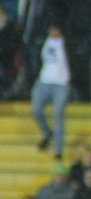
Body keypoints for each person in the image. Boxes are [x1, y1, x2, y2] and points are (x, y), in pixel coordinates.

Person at [32, 22, 71, 160]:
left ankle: (58, 150)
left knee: (57, 114)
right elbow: (34, 57)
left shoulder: (67, 42)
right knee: (36, 111)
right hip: (43, 81)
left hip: (61, 84)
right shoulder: (41, 41)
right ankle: (46, 132)